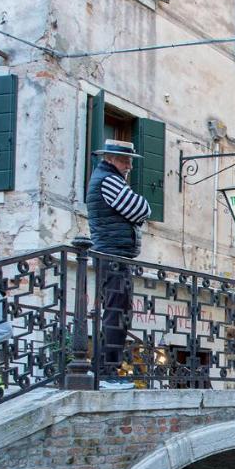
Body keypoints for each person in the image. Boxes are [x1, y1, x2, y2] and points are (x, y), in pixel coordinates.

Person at [85, 139, 150, 391]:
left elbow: (135, 210)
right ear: (111, 158)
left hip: (112, 255)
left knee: (117, 313)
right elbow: (141, 209)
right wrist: (139, 210)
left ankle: (104, 370)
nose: (130, 166)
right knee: (116, 314)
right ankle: (106, 373)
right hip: (111, 255)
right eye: (126, 160)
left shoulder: (106, 178)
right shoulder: (109, 180)